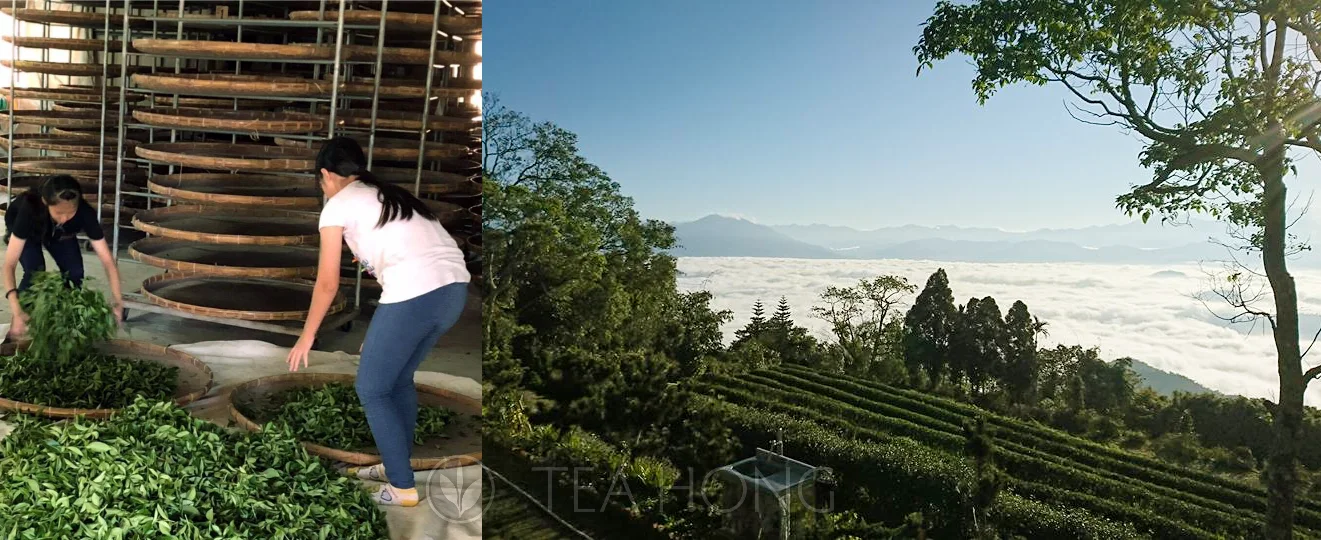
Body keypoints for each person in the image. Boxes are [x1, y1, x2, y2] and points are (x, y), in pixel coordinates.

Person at [286, 136, 470, 507]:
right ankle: (397, 466)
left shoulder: (338, 205)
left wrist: (306, 336)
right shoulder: (389, 194)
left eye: (320, 182)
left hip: (416, 294)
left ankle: (401, 488)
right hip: (454, 292)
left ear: (325, 175)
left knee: (371, 389)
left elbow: (327, 283)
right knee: (398, 379)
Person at [3, 175, 124, 338]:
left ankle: (61, 324)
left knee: (74, 273)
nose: (65, 218)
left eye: (70, 213)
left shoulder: (85, 213)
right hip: (28, 227)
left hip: (60, 233)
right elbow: (9, 265)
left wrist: (118, 301)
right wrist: (16, 308)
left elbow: (108, 261)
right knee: (35, 271)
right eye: (59, 213)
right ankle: (17, 327)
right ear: (46, 202)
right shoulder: (29, 209)